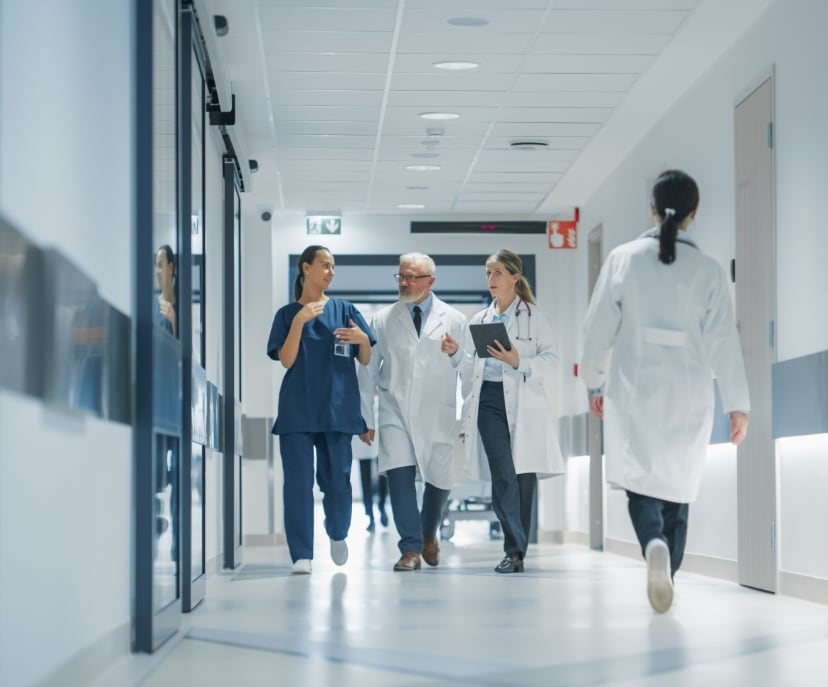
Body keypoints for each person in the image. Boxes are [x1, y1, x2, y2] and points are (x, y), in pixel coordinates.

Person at [580, 169, 750, 613]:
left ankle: (652, 544)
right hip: (691, 390)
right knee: (678, 487)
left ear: (651, 210)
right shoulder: (709, 270)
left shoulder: (623, 258)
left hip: (635, 387)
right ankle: (669, 571)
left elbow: (597, 329)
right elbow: (724, 342)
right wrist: (737, 405)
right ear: (695, 212)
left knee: (641, 483)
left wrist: (594, 381)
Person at [441, 249, 564, 574]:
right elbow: (472, 371)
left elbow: (552, 360)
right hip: (488, 402)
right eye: (487, 273)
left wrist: (517, 361)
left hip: (524, 400)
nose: (491, 279)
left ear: (515, 276)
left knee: (523, 477)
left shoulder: (534, 317)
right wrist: (456, 355)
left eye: (497, 272)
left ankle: (518, 552)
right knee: (503, 474)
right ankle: (513, 550)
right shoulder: (479, 321)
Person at [267, 245, 375, 575]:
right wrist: (300, 321)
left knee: (338, 482)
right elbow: (286, 359)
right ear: (306, 268)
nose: (330, 272)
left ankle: (338, 532)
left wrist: (362, 340)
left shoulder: (345, 310)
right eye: (324, 265)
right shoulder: (287, 315)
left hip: (337, 409)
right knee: (298, 484)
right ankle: (302, 554)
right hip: (298, 409)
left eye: (333, 266)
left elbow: (366, 358)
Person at [358, 252, 468, 571]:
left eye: (412, 277)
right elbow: (366, 370)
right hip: (395, 410)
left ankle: (428, 533)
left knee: (439, 477)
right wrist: (365, 418)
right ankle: (410, 548)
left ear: (430, 281)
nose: (404, 282)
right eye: (401, 276)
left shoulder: (455, 320)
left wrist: (457, 353)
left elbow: (470, 369)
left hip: (439, 410)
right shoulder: (381, 319)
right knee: (399, 475)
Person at [352, 387, 388, 532]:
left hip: (380, 423)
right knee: (365, 473)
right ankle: (370, 515)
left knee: (383, 472)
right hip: (361, 422)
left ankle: (382, 506)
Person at [154, 244, 177, 337]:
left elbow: (185, 349)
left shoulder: (181, 307)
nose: (156, 272)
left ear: (170, 268)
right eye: (156, 266)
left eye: (160, 265)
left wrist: (173, 321)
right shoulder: (154, 305)